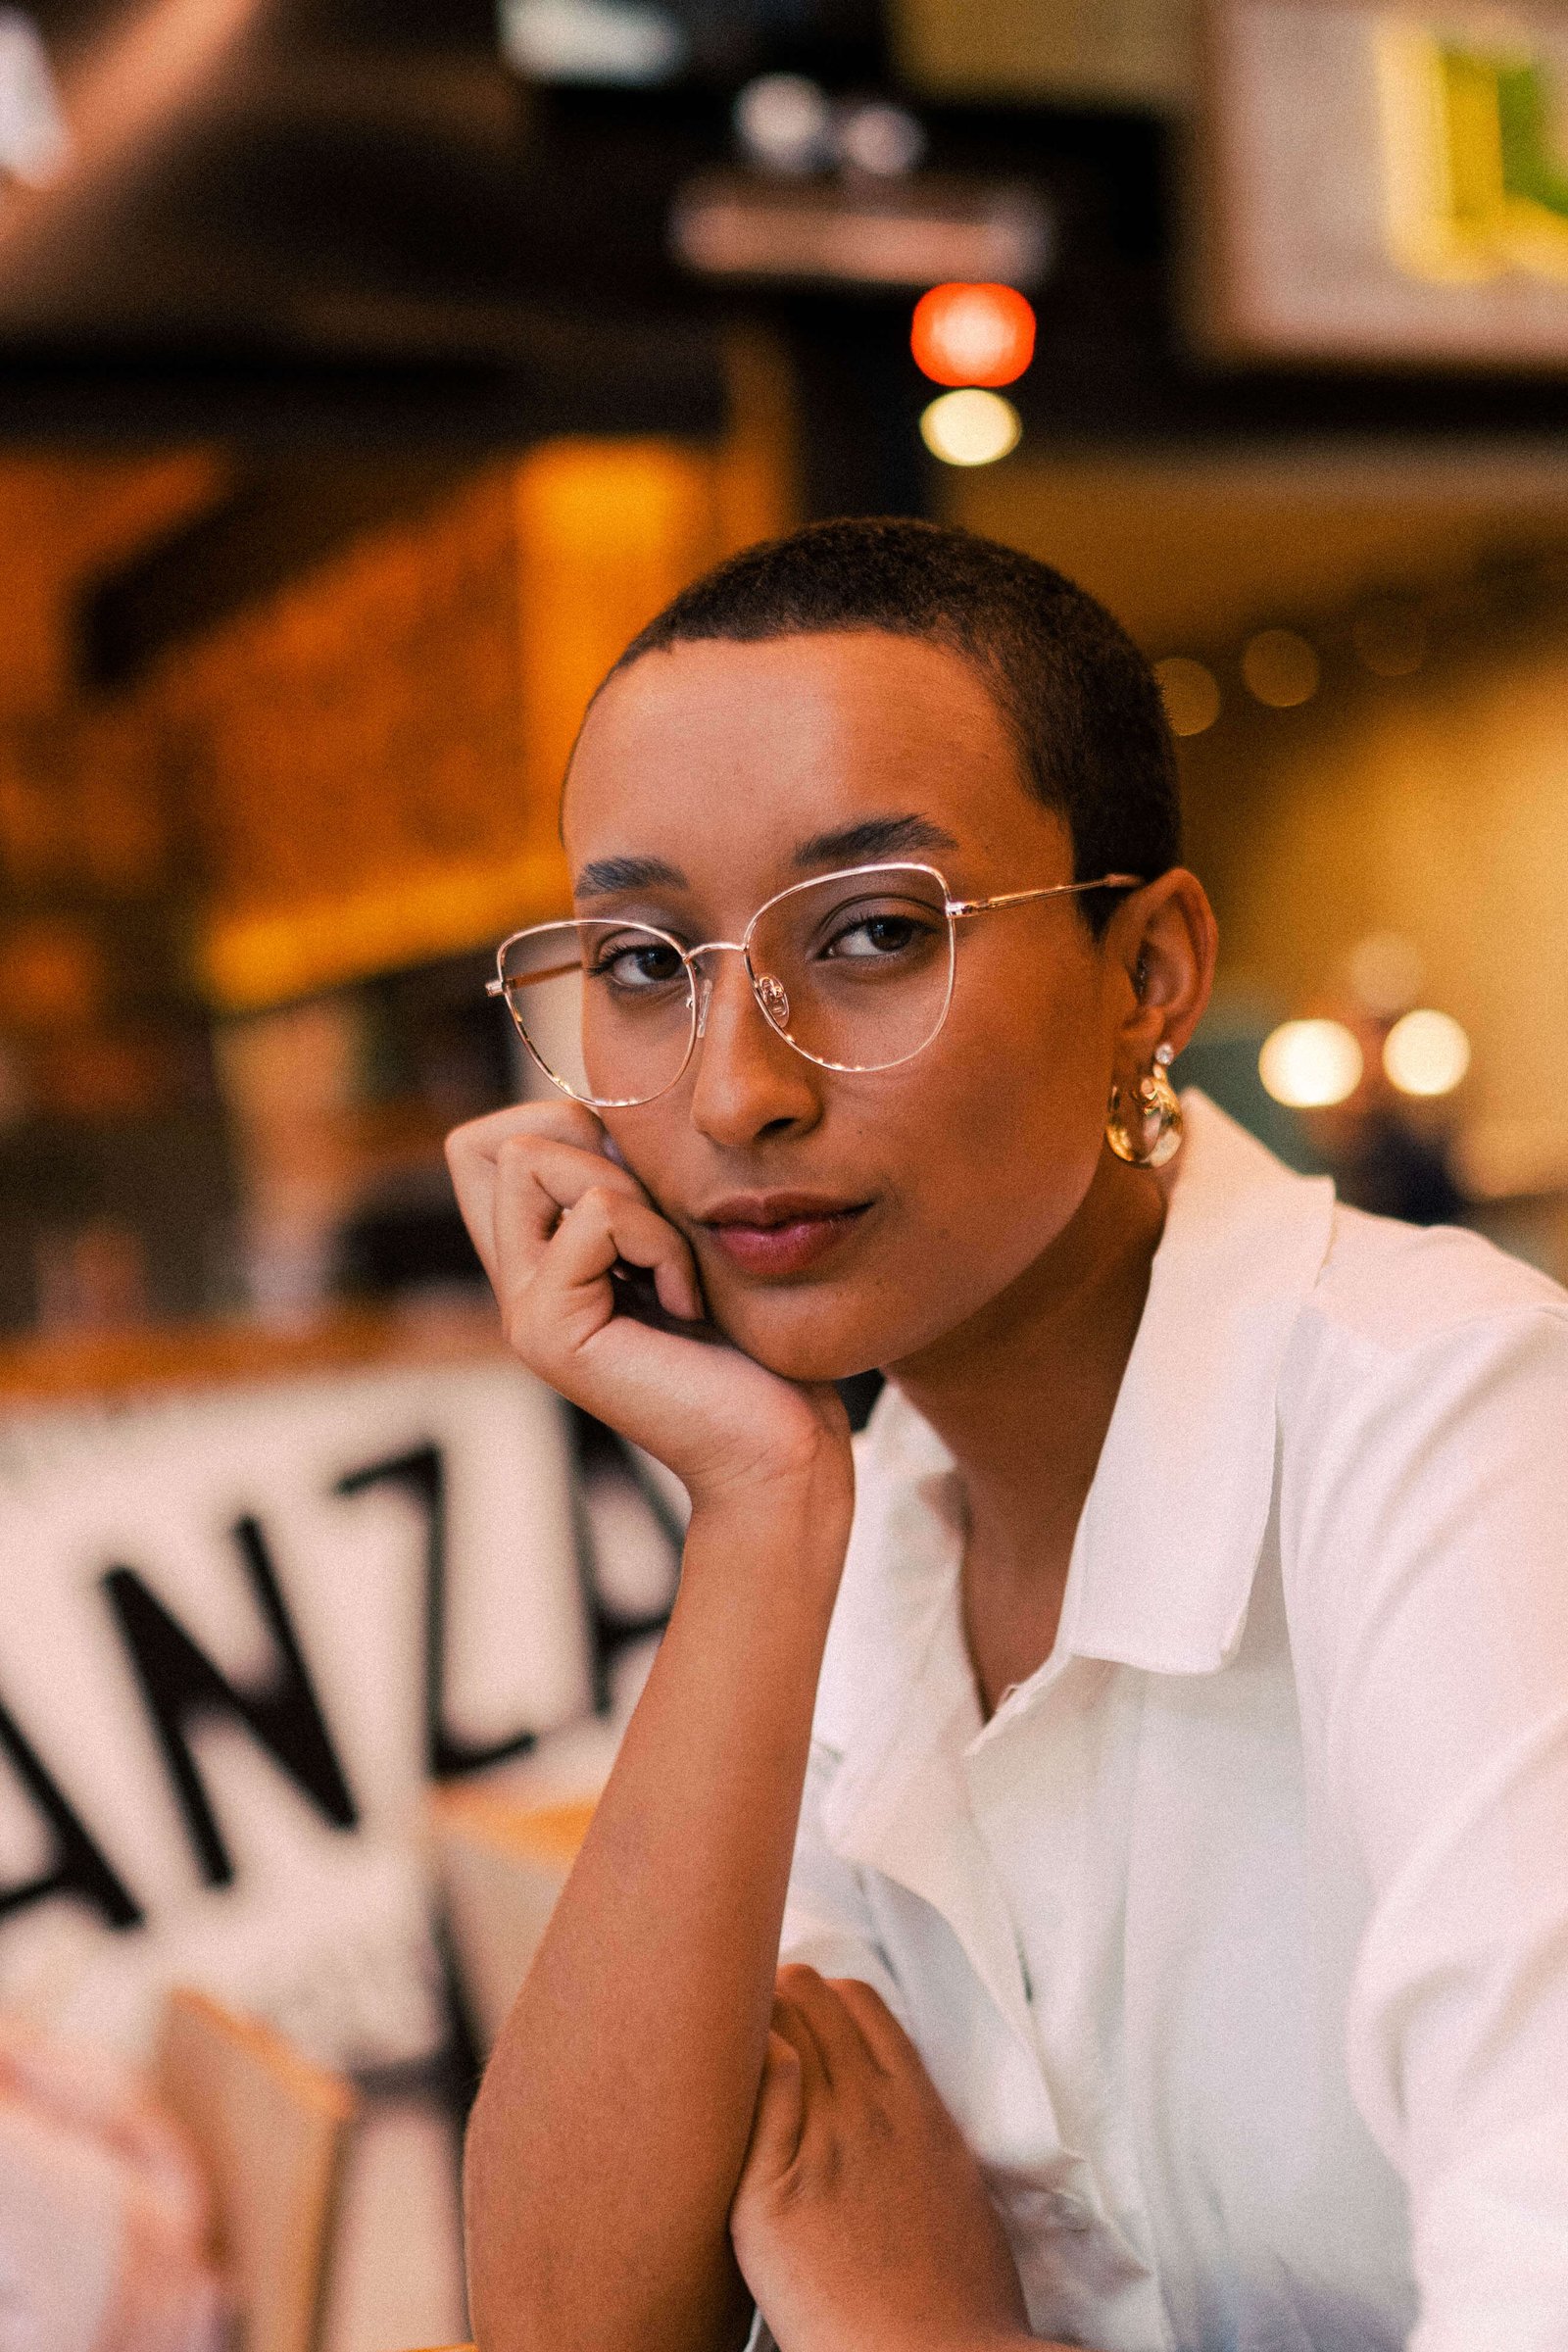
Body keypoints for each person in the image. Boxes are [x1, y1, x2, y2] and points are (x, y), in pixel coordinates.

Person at [446, 518, 1568, 2352]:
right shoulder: (872, 1528)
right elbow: (567, 2323)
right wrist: (754, 1506)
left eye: (876, 934)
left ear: (1153, 977)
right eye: (646, 964)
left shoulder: (1459, 1433)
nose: (737, 1089)